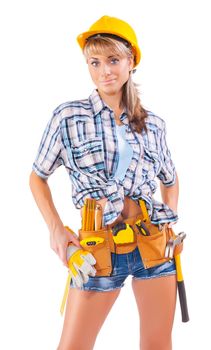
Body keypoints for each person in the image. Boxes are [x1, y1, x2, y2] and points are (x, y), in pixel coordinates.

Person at [29, 15, 180, 350]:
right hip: (98, 250)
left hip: (153, 245)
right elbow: (37, 176)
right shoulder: (68, 117)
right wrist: (56, 228)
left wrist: (169, 222)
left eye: (113, 60)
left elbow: (170, 179)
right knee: (73, 346)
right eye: (94, 62)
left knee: (158, 343)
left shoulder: (153, 124)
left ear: (131, 62)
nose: (104, 71)